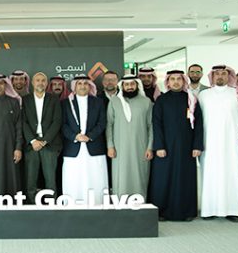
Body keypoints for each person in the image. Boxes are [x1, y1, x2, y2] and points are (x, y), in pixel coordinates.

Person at [199, 65, 238, 222]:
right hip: (209, 143)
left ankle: (233, 210)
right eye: (217, 74)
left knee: (233, 174)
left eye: (223, 74)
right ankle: (209, 210)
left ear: (229, 76)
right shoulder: (203, 95)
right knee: (209, 175)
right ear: (212, 76)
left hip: (232, 143)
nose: (220, 76)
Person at [149, 70, 203, 221]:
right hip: (165, 147)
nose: (176, 82)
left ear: (183, 81)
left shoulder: (191, 99)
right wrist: (159, 146)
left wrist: (197, 146)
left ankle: (186, 212)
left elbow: (199, 124)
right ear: (168, 82)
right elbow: (156, 124)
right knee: (163, 179)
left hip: (186, 147)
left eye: (179, 79)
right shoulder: (161, 100)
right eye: (172, 79)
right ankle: (162, 212)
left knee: (184, 179)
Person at [62, 75, 108, 203]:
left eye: (85, 83)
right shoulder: (66, 103)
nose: (83, 86)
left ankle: (97, 205)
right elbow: (63, 125)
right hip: (73, 148)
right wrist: (75, 136)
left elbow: (102, 123)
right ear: (74, 86)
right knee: (73, 179)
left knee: (96, 178)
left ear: (90, 86)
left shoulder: (98, 102)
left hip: (94, 146)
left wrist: (90, 136)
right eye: (79, 83)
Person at [106, 75, 153, 198]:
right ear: (122, 86)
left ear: (137, 85)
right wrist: (110, 146)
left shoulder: (146, 102)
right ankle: (120, 204)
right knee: (121, 177)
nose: (130, 87)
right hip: (119, 149)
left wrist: (150, 147)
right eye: (126, 84)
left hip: (141, 148)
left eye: (132, 84)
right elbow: (109, 125)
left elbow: (151, 126)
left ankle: (139, 204)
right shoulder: (114, 101)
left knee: (140, 176)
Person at [22, 72, 63, 200]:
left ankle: (52, 203)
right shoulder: (25, 100)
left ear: (46, 84)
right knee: (30, 178)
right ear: (32, 83)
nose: (40, 83)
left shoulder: (54, 99)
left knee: (50, 178)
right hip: (31, 145)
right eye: (37, 80)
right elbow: (23, 122)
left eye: (43, 80)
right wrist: (33, 140)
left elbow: (57, 121)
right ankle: (31, 204)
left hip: (49, 144)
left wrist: (44, 141)